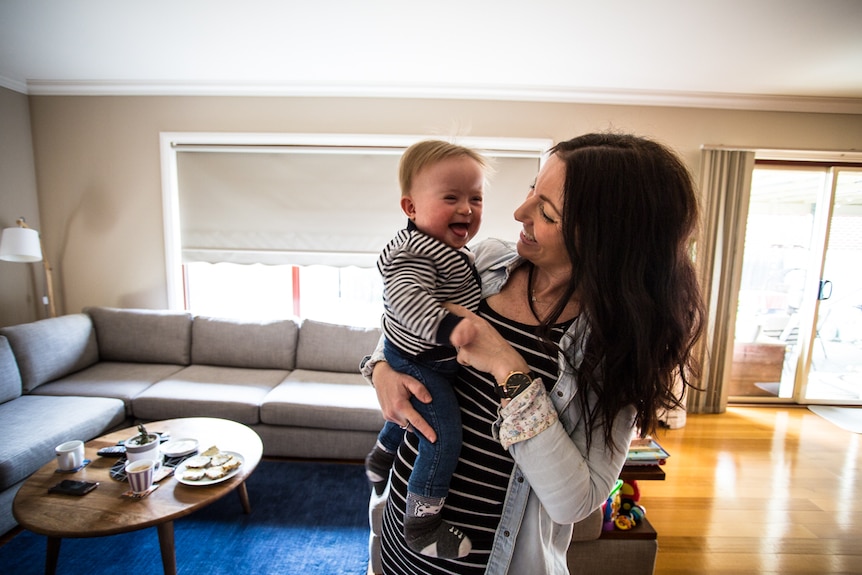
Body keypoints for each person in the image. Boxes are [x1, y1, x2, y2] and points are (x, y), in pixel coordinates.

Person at [362, 133, 706, 575]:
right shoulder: (483, 261)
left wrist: (508, 367)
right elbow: (406, 308)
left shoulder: (614, 347)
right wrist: (380, 369)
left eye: (545, 211)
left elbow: (574, 501)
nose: (518, 213)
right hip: (398, 540)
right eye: (532, 190)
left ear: (605, 239)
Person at [364, 140, 490, 559]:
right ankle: (421, 523)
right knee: (442, 433)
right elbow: (404, 297)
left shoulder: (450, 249)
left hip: (422, 357)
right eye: (451, 197)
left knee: (413, 413)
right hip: (419, 360)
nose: (466, 209)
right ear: (411, 208)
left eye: (475, 197)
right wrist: (448, 325)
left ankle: (382, 454)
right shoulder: (411, 252)